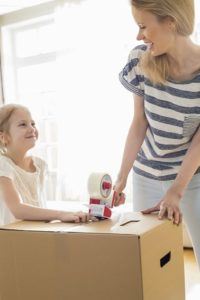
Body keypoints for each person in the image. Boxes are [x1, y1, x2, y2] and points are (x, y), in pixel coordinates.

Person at [113, 0, 200, 269]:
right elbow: (139, 123)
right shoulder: (140, 60)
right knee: (150, 261)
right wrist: (122, 177)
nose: (139, 36)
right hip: (147, 175)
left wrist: (177, 189)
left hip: (192, 177)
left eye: (143, 26)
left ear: (170, 22)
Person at [0, 103, 92, 225]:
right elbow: (17, 209)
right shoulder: (3, 165)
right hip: (13, 238)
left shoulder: (39, 165)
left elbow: (40, 205)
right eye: (23, 124)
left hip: (38, 233)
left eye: (33, 123)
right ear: (3, 137)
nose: (32, 128)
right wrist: (61, 214)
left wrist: (70, 214)